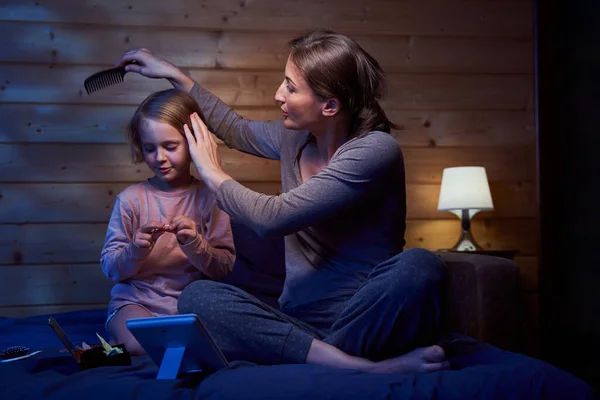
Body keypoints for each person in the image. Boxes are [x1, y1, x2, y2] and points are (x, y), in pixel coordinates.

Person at [116, 29, 449, 373]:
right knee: (198, 297)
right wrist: (174, 75)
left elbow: (273, 218)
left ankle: (327, 359)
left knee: (421, 265)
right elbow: (235, 128)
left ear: (329, 105)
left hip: (363, 316)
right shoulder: (294, 138)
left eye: (290, 87)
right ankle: (359, 365)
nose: (279, 95)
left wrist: (212, 173)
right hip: (298, 321)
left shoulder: (374, 151)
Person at [100, 89, 236, 355]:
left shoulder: (212, 197)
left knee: (223, 338)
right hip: (136, 302)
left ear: (193, 143)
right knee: (140, 343)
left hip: (191, 305)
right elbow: (111, 269)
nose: (159, 158)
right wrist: (134, 251)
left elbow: (224, 269)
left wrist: (196, 244)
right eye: (150, 148)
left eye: (170, 147)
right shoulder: (130, 200)